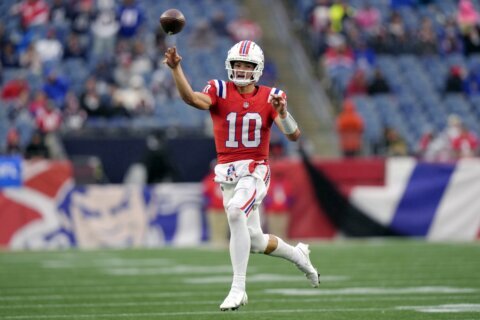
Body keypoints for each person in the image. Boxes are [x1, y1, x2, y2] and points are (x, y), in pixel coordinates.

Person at [163, 40, 319, 311]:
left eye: (248, 66)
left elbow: (294, 135)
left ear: (257, 69)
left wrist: (282, 111)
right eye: (237, 65)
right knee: (256, 241)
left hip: (256, 169)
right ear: (229, 65)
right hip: (228, 174)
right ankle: (299, 256)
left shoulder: (271, 96)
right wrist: (177, 69)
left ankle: (238, 288)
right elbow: (191, 99)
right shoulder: (219, 89)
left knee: (236, 213)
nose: (242, 70)